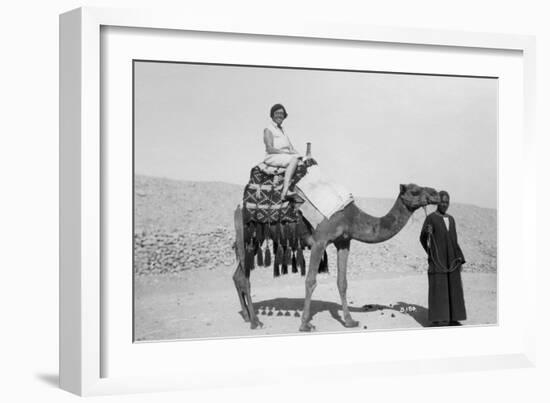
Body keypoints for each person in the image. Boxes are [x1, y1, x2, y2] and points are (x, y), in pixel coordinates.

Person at [419, 191, 467, 326]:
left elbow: (454, 240)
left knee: (453, 288)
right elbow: (422, 238)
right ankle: (437, 318)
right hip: (438, 260)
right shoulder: (430, 218)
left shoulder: (451, 219)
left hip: (452, 260)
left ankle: (453, 318)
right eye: (442, 201)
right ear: (437, 202)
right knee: (438, 288)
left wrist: (460, 258)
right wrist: (431, 253)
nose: (444, 204)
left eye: (447, 202)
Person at [263, 104, 301, 199]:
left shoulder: (283, 130)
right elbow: (269, 148)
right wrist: (287, 153)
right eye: (277, 113)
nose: (279, 115)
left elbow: (290, 147)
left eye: (282, 113)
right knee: (294, 160)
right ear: (272, 115)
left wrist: (298, 154)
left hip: (284, 156)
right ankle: (285, 190)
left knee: (301, 160)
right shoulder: (268, 129)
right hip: (273, 156)